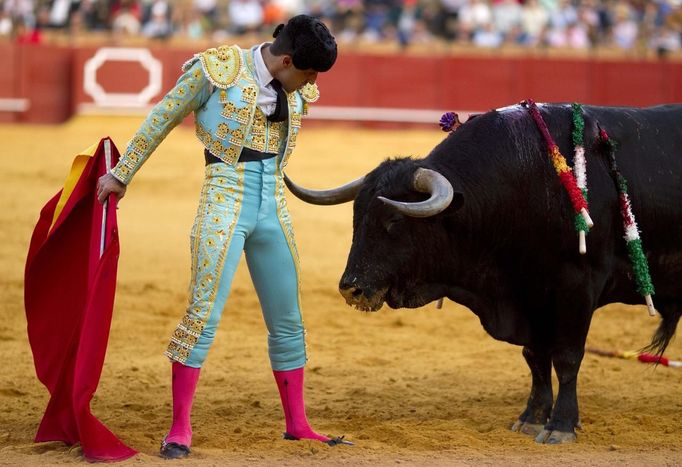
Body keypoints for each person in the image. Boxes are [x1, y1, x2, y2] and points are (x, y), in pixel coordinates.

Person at [96, 14, 352, 459]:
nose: (312, 82)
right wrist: (121, 174)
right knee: (203, 313)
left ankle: (297, 423)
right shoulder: (215, 69)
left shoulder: (296, 82)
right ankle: (179, 429)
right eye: (308, 72)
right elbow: (162, 117)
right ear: (287, 60)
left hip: (273, 202)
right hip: (224, 200)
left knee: (287, 319)